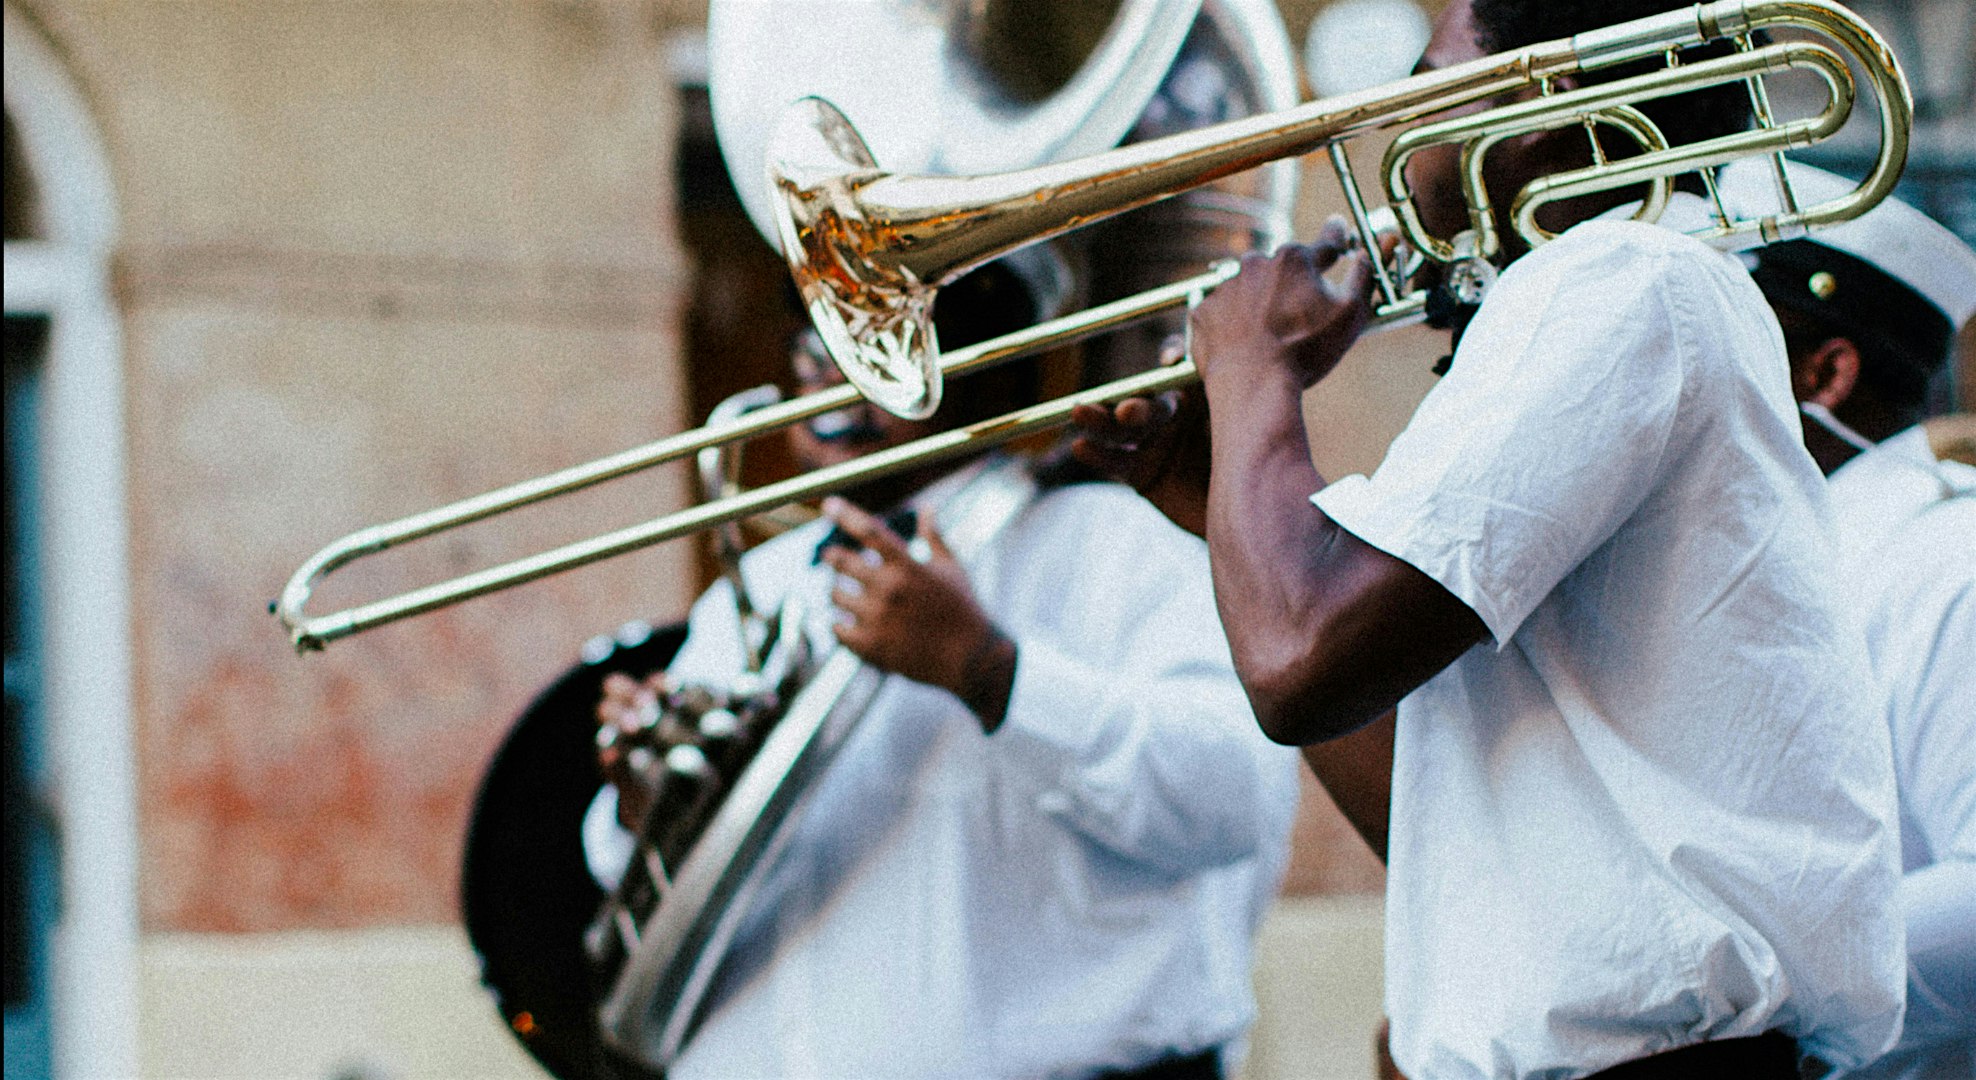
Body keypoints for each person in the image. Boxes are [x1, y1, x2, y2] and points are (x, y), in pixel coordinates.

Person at [1072, 1, 1907, 1076]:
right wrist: (1201, 489)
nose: (1395, 116)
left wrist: (1249, 373)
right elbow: (1429, 817)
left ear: (1543, 93)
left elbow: (1294, 662)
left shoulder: (1621, 282)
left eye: (1431, 69)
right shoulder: (1591, 302)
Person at [584, 258, 1301, 1080]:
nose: (826, 367)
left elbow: (1231, 803)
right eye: (816, 338)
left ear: (982, 367)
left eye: (873, 339)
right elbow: (657, 886)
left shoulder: (1120, 542)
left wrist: (990, 672)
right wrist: (648, 806)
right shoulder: (763, 585)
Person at [1716, 158, 1976, 1080]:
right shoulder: (1769, 557)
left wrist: (1713, 1008)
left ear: (1824, 374)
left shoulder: (1949, 561)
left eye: (1720, 340)